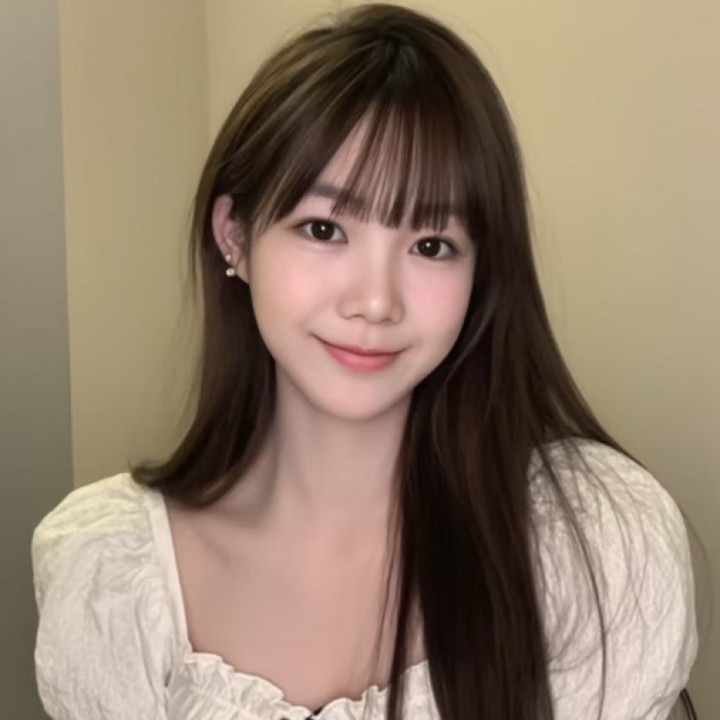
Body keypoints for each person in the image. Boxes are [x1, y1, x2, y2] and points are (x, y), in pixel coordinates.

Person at [31, 4, 698, 719]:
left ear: (481, 270)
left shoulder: (592, 541)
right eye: (324, 229)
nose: (376, 302)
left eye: (432, 245)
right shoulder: (112, 574)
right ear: (235, 238)